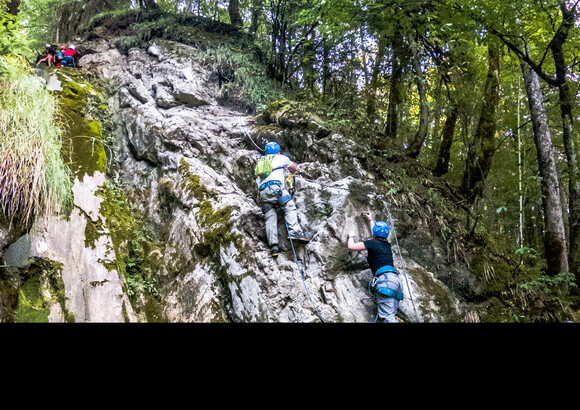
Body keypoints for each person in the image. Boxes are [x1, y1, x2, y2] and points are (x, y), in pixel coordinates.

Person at [347, 211, 403, 323]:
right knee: (391, 315)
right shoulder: (386, 244)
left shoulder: (372, 243)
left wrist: (351, 236)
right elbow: (376, 233)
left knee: (387, 317)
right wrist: (371, 219)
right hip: (396, 281)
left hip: (386, 280)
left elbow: (351, 246)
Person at [256, 141, 309, 257]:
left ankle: (273, 246)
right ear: (278, 151)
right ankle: (295, 231)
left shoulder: (262, 162)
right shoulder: (281, 158)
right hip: (276, 187)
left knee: (270, 217)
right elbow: (294, 168)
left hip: (263, 191)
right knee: (289, 206)